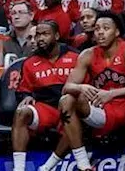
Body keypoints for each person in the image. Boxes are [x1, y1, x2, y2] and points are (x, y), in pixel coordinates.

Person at [59, 13, 125, 171]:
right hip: (103, 110)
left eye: (106, 28)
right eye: (97, 29)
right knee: (66, 100)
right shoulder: (87, 54)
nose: (100, 32)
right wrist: (80, 87)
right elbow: (66, 87)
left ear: (117, 32)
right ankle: (83, 165)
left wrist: (111, 94)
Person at [11, 20, 79, 171]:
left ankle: (47, 167)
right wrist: (26, 97)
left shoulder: (75, 57)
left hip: (70, 107)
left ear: (56, 35)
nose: (40, 38)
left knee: (76, 122)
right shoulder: (30, 62)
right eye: (38, 35)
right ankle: (19, 168)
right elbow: (24, 89)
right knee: (22, 112)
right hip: (46, 108)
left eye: (45, 34)